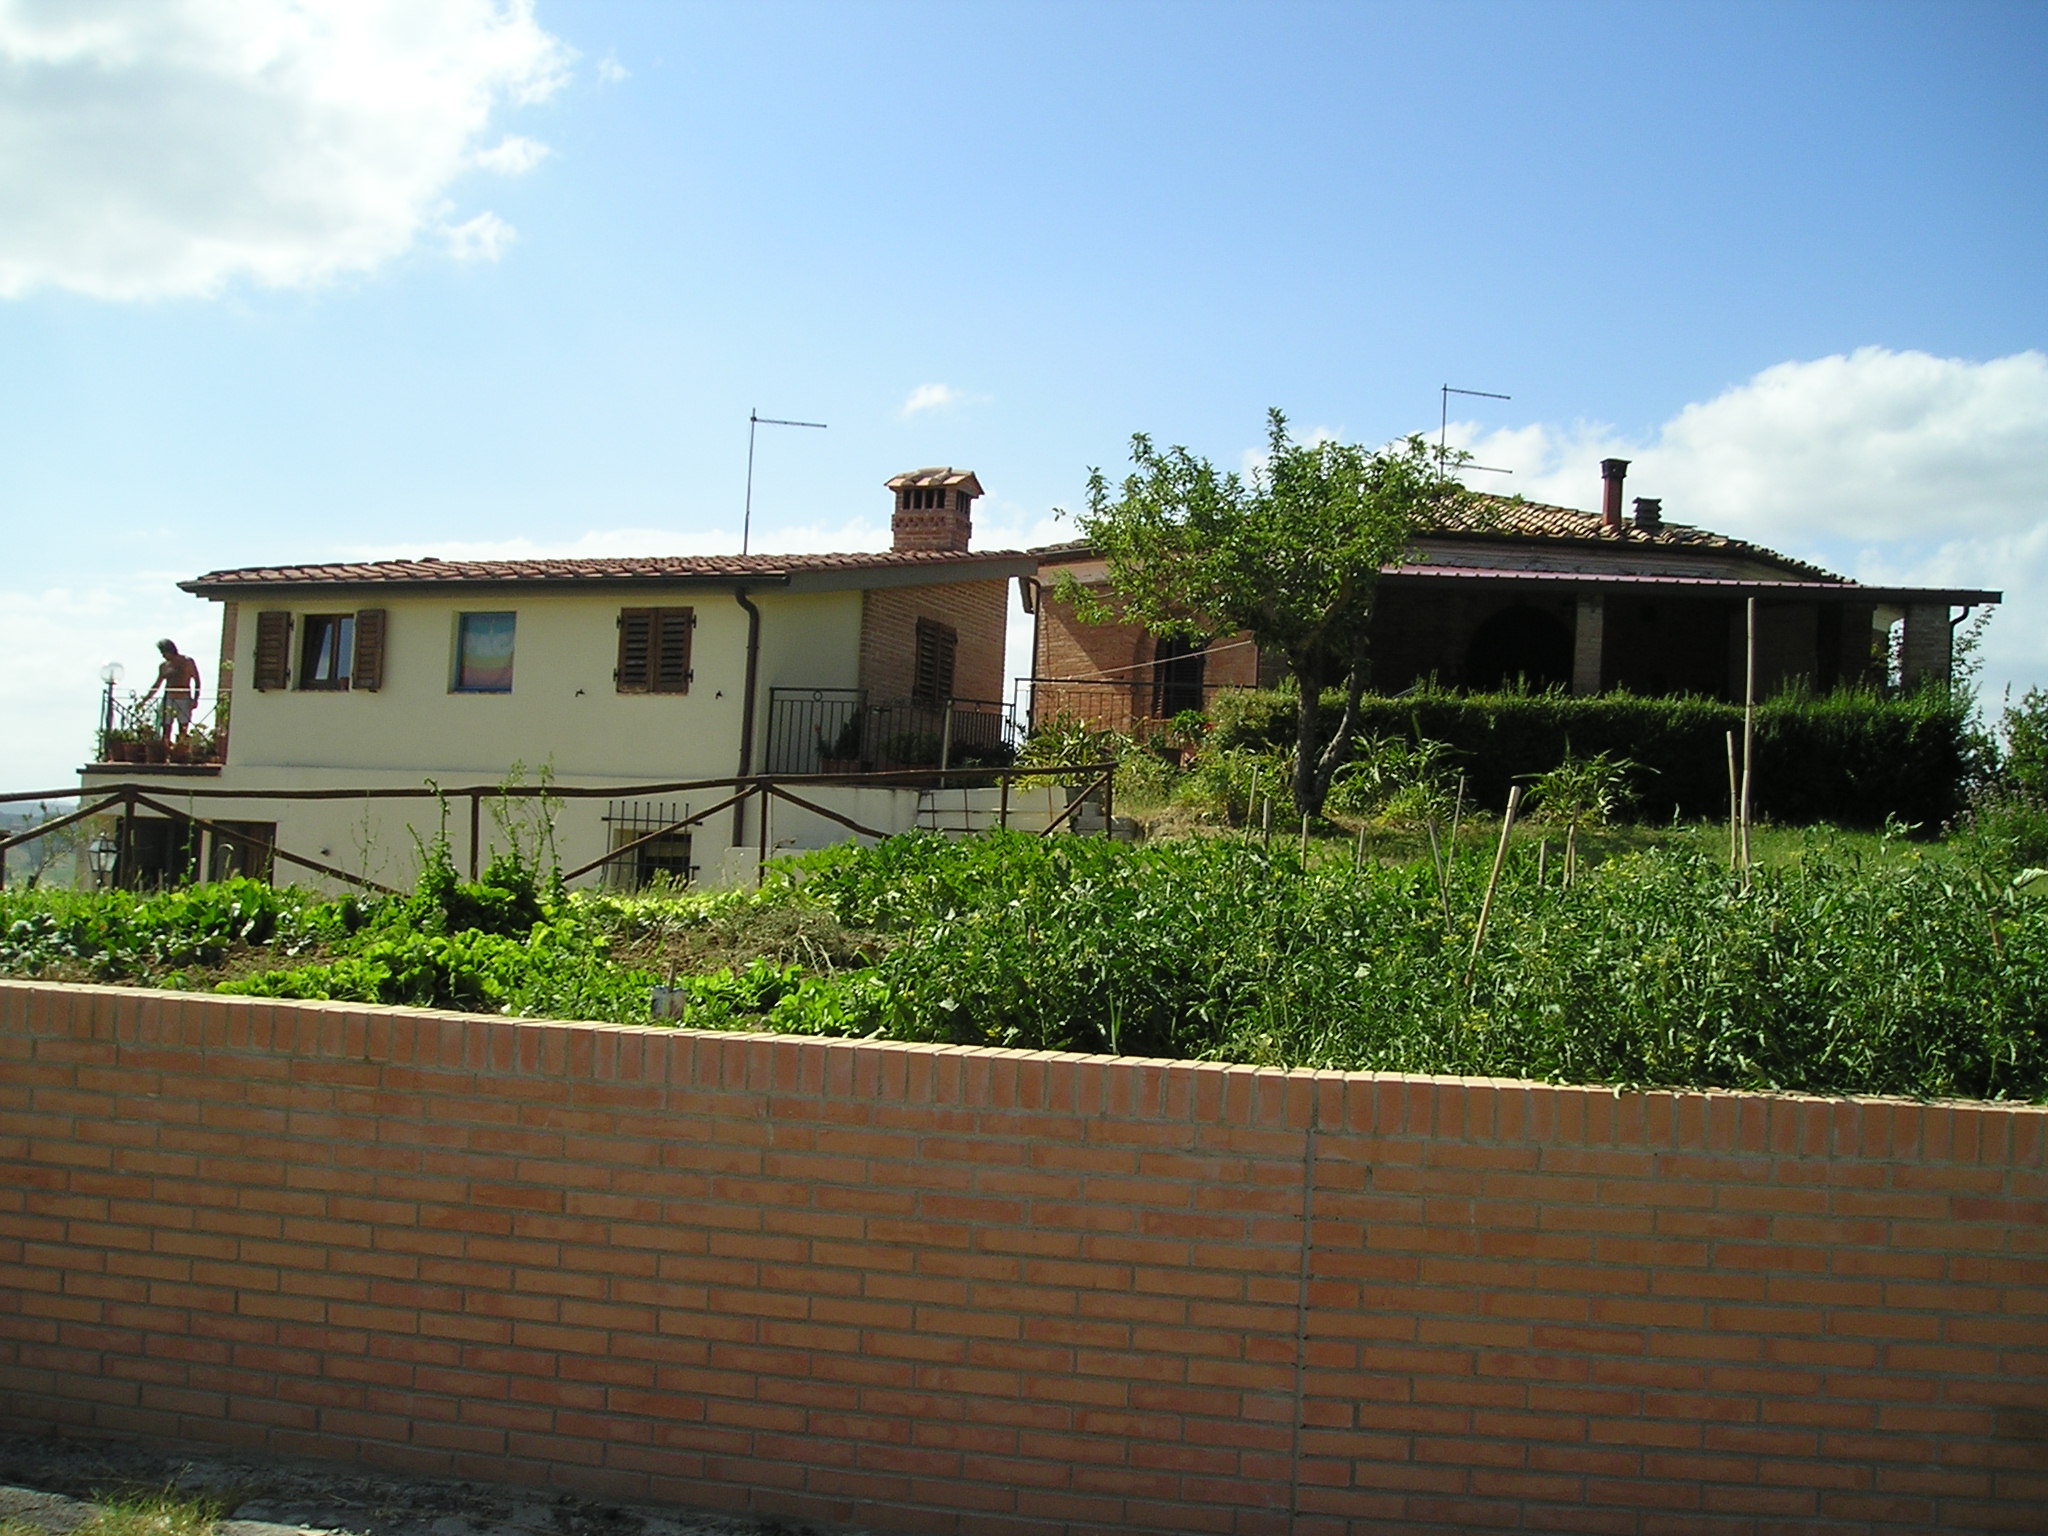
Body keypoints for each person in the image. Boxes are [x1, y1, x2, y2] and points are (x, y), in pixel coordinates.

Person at [140, 638, 202, 748]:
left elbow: (197, 680)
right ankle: (166, 748)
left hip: (184, 698)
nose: (163, 656)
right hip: (169, 698)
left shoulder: (187, 662)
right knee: (166, 726)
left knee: (183, 727)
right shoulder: (164, 666)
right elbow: (157, 684)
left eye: (164, 652)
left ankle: (181, 749)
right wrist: (145, 699)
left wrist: (195, 699)